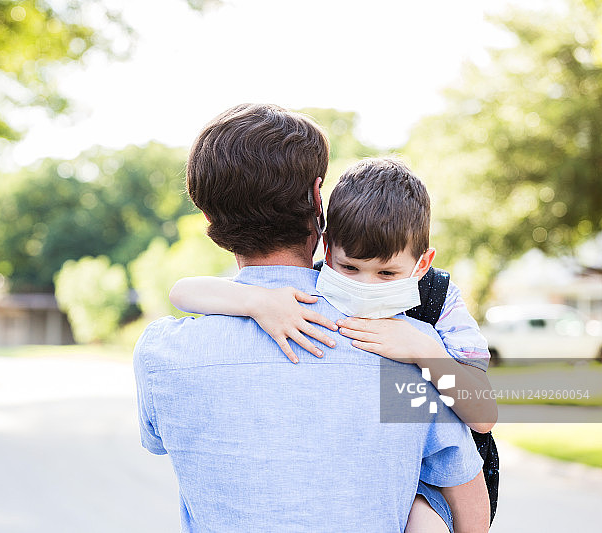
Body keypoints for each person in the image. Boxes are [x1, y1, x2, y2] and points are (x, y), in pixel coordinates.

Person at [134, 103, 487, 532]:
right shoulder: (398, 347)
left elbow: (157, 440)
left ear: (208, 218)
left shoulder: (162, 355)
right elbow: (462, 477)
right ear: (319, 200)